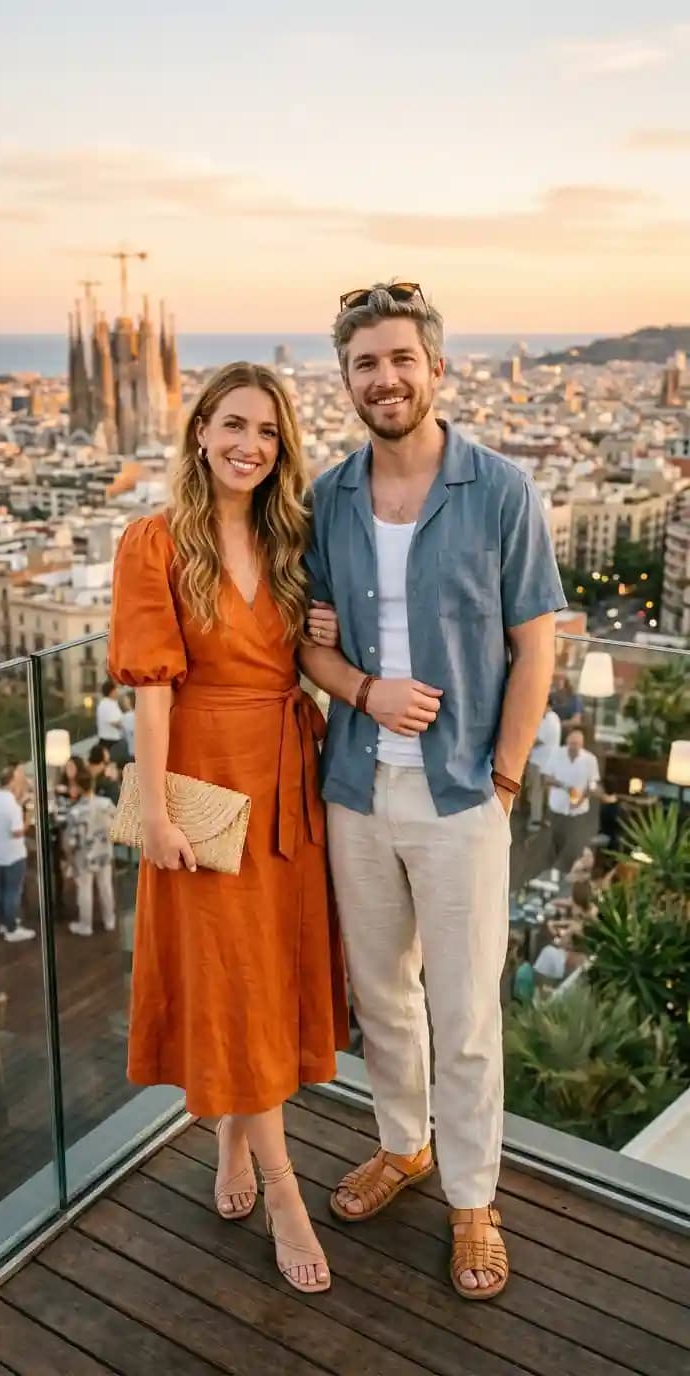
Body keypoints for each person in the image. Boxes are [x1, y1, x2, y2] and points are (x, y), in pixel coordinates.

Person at [300, 282, 566, 1301]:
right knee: (381, 995)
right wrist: (361, 686)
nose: (385, 378)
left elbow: (536, 645)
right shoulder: (328, 497)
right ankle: (404, 1144)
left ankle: (473, 1198)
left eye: (400, 358)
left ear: (436, 368)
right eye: (365, 363)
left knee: (462, 1009)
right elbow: (307, 647)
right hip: (357, 787)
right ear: (346, 380)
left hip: (461, 794)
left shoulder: (499, 490)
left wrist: (504, 778)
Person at [107, 361, 349, 1295]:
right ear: (201, 430)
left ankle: (235, 1145)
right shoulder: (155, 542)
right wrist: (157, 809)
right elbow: (152, 692)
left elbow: (311, 653)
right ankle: (285, 1191)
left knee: (266, 981)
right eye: (235, 425)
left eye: (269, 432)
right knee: (234, 981)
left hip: (289, 782)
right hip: (206, 786)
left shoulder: (293, 537)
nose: (251, 445)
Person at [0, 765, 35, 942]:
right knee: (13, 892)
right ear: (11, 782)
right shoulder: (11, 805)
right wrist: (29, 815)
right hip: (14, 854)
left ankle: (3, 922)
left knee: (1, 890)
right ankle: (12, 929)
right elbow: (17, 832)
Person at [64, 765, 117, 936]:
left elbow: (70, 841)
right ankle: (109, 920)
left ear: (78, 787)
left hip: (84, 856)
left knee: (84, 889)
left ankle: (85, 925)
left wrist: (69, 857)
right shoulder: (106, 804)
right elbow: (117, 822)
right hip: (104, 852)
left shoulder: (75, 812)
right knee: (106, 887)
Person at [546, 729, 600, 872]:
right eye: (571, 743)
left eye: (576, 744)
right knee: (556, 840)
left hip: (578, 811)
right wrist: (565, 786)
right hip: (557, 807)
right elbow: (547, 778)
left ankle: (569, 871)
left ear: (582, 745)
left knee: (574, 843)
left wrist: (580, 799)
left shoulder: (590, 760)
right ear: (567, 742)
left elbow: (592, 785)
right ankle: (554, 870)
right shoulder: (556, 754)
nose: (573, 747)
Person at [525, 699, 561, 831]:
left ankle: (535, 821)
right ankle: (543, 819)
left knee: (536, 792)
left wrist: (523, 746)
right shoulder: (553, 718)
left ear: (547, 705)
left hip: (540, 762)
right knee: (543, 792)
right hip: (547, 762)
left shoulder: (549, 720)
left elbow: (537, 740)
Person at [96, 679, 128, 765]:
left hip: (109, 741)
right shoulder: (108, 704)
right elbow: (114, 722)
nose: (117, 692)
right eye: (116, 689)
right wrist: (126, 725)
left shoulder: (107, 703)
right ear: (112, 691)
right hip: (111, 742)